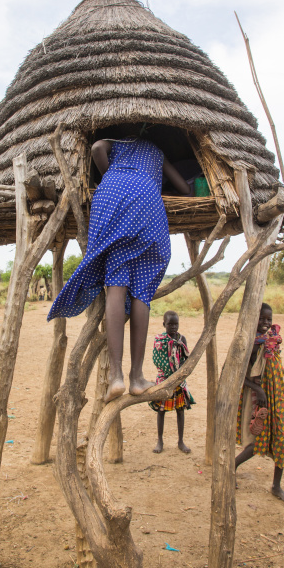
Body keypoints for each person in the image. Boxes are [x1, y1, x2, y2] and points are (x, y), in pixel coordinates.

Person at [47, 124, 190, 403]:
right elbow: (185, 189)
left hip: (109, 196)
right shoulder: (157, 153)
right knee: (141, 292)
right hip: (147, 198)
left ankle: (116, 376)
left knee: (115, 285)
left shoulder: (119, 144)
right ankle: (137, 378)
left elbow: (97, 147)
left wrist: (108, 174)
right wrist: (161, 182)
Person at [235, 303, 284, 503]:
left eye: (268, 319)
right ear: (253, 318)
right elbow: (238, 375)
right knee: (257, 441)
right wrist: (258, 389)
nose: (266, 323)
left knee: (281, 440)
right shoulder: (251, 344)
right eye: (261, 319)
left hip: (277, 398)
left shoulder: (272, 341)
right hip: (260, 400)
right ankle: (232, 467)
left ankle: (276, 486)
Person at [150, 310, 195, 454]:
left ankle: (181, 441)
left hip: (179, 381)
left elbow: (186, 358)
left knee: (180, 410)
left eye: (176, 324)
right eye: (170, 324)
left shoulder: (182, 339)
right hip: (164, 380)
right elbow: (156, 359)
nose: (174, 327)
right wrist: (168, 373)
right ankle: (160, 440)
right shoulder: (159, 340)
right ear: (164, 324)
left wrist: (179, 374)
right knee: (161, 410)